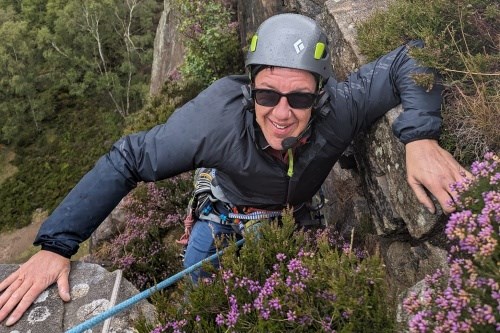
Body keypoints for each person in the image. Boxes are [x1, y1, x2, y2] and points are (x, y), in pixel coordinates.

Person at [0, 13, 467, 326]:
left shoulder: (341, 109)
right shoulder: (213, 121)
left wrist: (419, 137)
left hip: (292, 218)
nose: (282, 113)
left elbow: (415, 53)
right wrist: (55, 245)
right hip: (221, 218)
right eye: (267, 95)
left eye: (300, 97)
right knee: (200, 297)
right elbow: (127, 159)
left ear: (320, 94)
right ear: (249, 90)